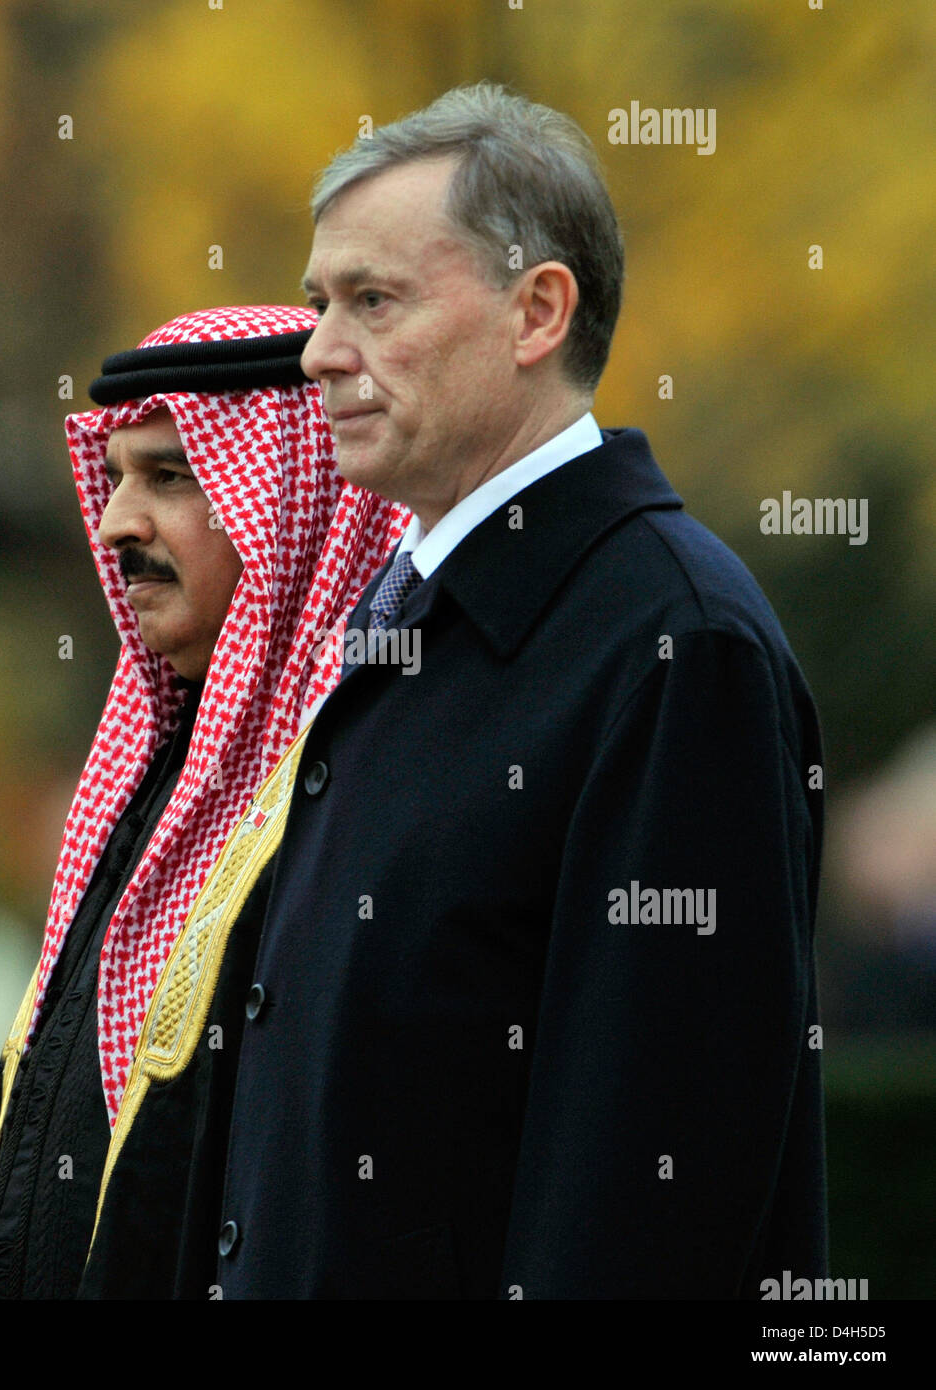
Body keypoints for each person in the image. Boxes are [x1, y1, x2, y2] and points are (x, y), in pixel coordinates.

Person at [84, 83, 828, 1300]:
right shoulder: (407, 612)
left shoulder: (674, 644)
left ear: (537, 311)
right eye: (322, 302)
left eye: (373, 301)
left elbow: (652, 1187)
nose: (320, 348)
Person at [0, 304, 405, 1299]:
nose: (114, 523)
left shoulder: (362, 794)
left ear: (289, 500)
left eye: (169, 475)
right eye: (113, 478)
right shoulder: (149, 772)